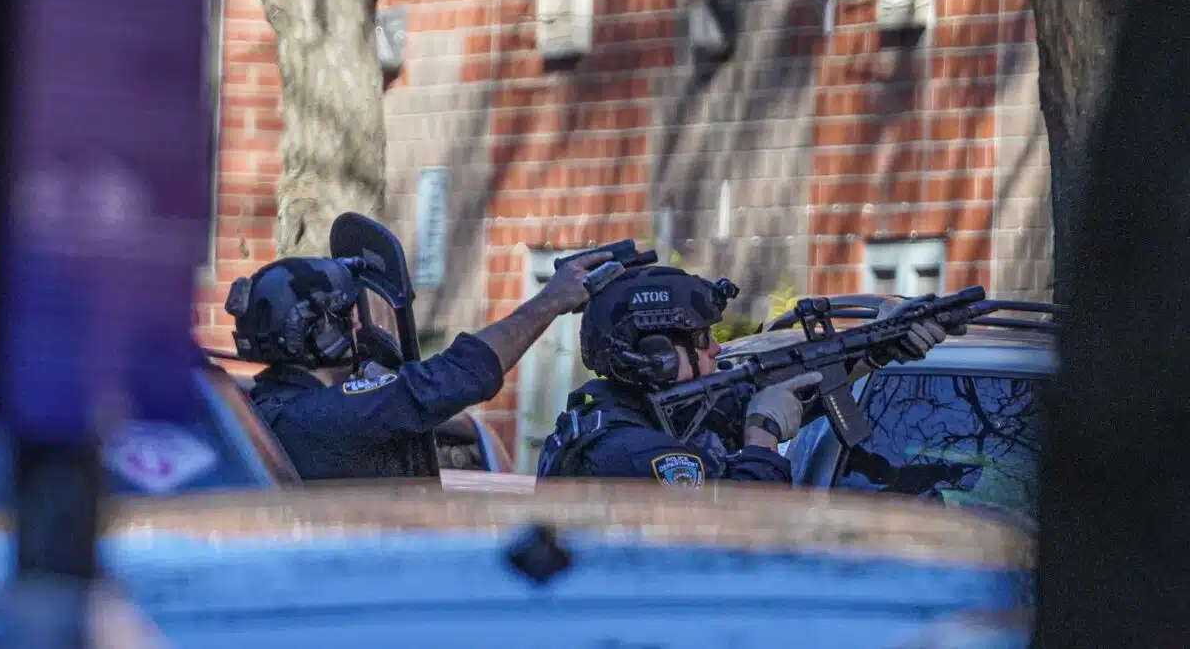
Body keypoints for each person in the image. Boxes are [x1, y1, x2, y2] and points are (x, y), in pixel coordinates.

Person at [535, 265, 960, 486]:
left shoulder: (625, 414)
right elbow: (749, 526)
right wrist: (763, 436)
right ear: (657, 356)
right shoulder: (633, 456)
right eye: (701, 339)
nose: (716, 349)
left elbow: (756, 395)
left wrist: (879, 346)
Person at [231, 250, 611, 480]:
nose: (361, 325)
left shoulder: (268, 403)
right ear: (317, 331)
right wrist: (550, 301)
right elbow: (455, 377)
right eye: (348, 313)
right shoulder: (323, 417)